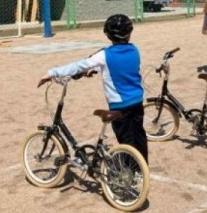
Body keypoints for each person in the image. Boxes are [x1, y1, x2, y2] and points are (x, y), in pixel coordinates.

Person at [38, 14, 148, 163]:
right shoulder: (134, 50)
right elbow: (121, 68)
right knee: (139, 136)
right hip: (137, 101)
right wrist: (95, 69)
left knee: (126, 141)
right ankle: (142, 167)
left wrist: (52, 73)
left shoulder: (104, 55)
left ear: (108, 34)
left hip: (119, 104)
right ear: (129, 33)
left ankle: (131, 174)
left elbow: (79, 65)